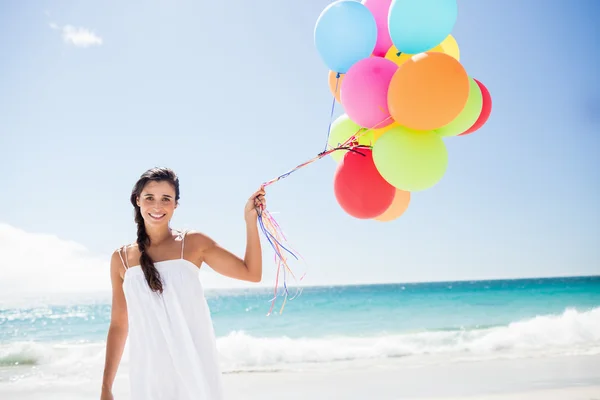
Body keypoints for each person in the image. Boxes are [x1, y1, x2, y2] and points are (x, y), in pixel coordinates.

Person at [100, 167, 266, 400]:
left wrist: (250, 220)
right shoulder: (121, 259)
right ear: (138, 201)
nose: (157, 206)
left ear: (176, 204)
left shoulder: (193, 243)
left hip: (194, 368)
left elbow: (251, 273)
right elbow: (119, 325)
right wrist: (106, 386)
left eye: (166, 199)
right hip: (149, 375)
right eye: (149, 198)